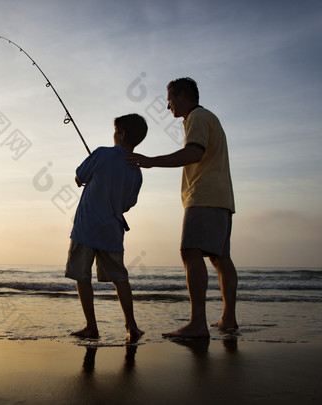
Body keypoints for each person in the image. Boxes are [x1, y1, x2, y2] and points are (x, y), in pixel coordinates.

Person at [126, 77, 238, 339]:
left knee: (190, 252)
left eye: (169, 100)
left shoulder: (197, 117)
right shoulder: (210, 118)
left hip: (204, 196)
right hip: (222, 198)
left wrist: (151, 161)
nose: (168, 107)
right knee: (220, 259)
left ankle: (197, 323)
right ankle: (228, 319)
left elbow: (194, 153)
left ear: (181, 96)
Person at [66, 113, 147, 341]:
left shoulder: (102, 153)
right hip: (112, 231)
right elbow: (128, 204)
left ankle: (91, 326)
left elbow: (79, 176)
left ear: (120, 133)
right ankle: (131, 326)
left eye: (115, 131)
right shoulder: (136, 170)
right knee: (120, 278)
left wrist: (84, 179)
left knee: (83, 276)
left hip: (86, 228)